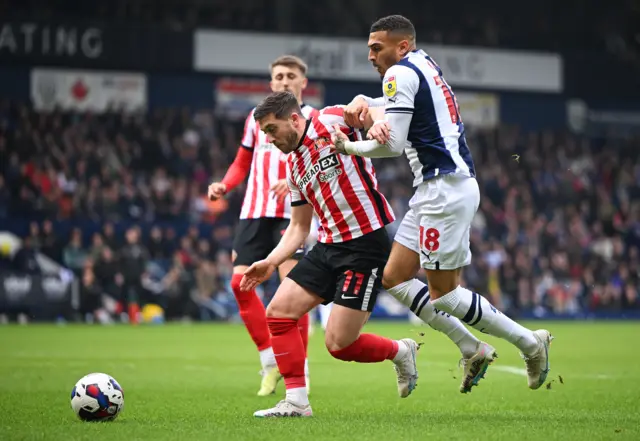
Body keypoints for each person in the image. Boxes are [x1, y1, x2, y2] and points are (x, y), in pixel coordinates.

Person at [333, 14, 552, 392]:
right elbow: (391, 106)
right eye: (369, 47)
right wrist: (362, 103)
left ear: (402, 46)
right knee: (394, 277)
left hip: (443, 190)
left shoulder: (399, 72)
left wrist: (348, 146)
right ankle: (472, 347)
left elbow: (392, 145)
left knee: (446, 294)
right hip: (437, 189)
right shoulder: (423, 64)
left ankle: (531, 343)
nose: (370, 55)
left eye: (376, 47)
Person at [240, 91, 419, 417]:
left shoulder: (331, 118)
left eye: (271, 129)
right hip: (327, 246)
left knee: (339, 344)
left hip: (366, 244)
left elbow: (378, 111)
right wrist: (270, 262)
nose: (269, 138)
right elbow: (297, 227)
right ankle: (296, 402)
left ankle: (400, 351)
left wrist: (378, 124)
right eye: (264, 133)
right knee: (278, 313)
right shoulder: (293, 166)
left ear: (294, 119)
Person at [208, 55, 319, 396]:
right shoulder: (254, 120)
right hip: (254, 211)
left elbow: (322, 162)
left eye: (290, 75)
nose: (284, 81)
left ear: (303, 82)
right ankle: (270, 360)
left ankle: (297, 371)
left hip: (293, 213)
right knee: (240, 284)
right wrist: (226, 184)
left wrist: (295, 179)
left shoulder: (314, 118)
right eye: (278, 76)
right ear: (271, 84)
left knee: (291, 294)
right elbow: (242, 160)